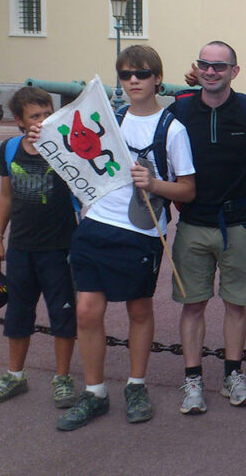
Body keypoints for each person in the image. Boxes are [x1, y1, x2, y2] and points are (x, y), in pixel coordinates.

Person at [54, 45, 196, 430]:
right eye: (126, 74)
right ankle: (95, 392)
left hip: (141, 230)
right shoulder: (110, 120)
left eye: (142, 73)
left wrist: (153, 183)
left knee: (138, 310)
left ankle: (136, 385)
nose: (134, 80)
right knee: (86, 310)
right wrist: (40, 132)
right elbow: (71, 145)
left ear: (157, 80)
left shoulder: (173, 128)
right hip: (96, 224)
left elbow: (187, 190)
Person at [171, 41, 246, 415]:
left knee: (236, 304)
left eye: (220, 66)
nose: (211, 71)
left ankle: (233, 375)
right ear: (196, 67)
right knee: (192, 305)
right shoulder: (181, 109)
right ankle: (193, 380)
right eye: (204, 65)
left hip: (241, 224)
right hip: (193, 223)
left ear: (235, 71)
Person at [0, 87, 78, 409]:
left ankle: (62, 377)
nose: (43, 120)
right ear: (19, 121)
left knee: (62, 313)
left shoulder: (64, 147)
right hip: (21, 247)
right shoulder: (9, 149)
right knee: (18, 312)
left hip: (59, 247)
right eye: (35, 116)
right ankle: (15, 375)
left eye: (48, 113)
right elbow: (5, 197)